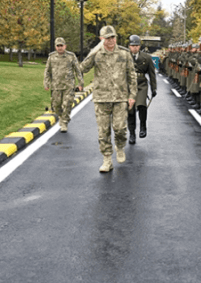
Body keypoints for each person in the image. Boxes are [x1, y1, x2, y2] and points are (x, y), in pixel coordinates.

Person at [79, 26, 137, 173]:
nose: (111, 40)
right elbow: (82, 68)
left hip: (120, 97)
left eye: (113, 37)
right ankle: (107, 160)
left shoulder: (124, 54)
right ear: (101, 39)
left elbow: (132, 76)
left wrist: (132, 96)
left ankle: (120, 146)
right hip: (101, 98)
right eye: (107, 38)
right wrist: (94, 51)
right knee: (103, 131)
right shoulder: (97, 54)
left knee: (120, 128)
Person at [43, 37, 83, 133]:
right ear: (55, 47)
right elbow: (47, 71)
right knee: (56, 105)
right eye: (58, 46)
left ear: (65, 46)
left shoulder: (71, 56)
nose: (60, 47)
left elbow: (78, 70)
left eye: (61, 45)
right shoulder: (51, 57)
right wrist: (46, 83)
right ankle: (62, 117)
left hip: (69, 86)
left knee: (67, 104)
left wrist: (80, 83)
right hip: (56, 86)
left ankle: (64, 122)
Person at [127, 35, 157, 144]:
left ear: (140, 46)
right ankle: (132, 133)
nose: (135, 48)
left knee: (141, 105)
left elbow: (152, 74)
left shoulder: (147, 57)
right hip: (129, 85)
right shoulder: (125, 57)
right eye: (132, 45)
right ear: (129, 46)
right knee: (130, 110)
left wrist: (154, 88)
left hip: (141, 84)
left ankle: (143, 126)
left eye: (137, 45)